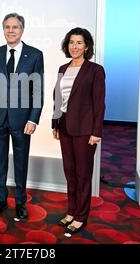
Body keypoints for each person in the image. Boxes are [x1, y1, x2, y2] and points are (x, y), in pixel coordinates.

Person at [0, 13, 44, 220]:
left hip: (22, 120)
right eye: (7, 27)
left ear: (22, 30)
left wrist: (33, 118)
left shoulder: (35, 55)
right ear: (3, 30)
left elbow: (38, 90)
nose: (11, 30)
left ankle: (20, 202)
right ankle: (0, 200)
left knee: (20, 162)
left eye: (15, 27)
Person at [52, 27, 106, 236]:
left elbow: (99, 104)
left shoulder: (95, 70)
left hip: (85, 131)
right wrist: (55, 124)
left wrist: (96, 131)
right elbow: (57, 99)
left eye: (79, 43)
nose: (74, 46)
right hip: (64, 127)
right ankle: (71, 211)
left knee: (83, 175)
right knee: (70, 173)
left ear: (86, 47)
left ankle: (81, 217)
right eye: (71, 42)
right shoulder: (62, 68)